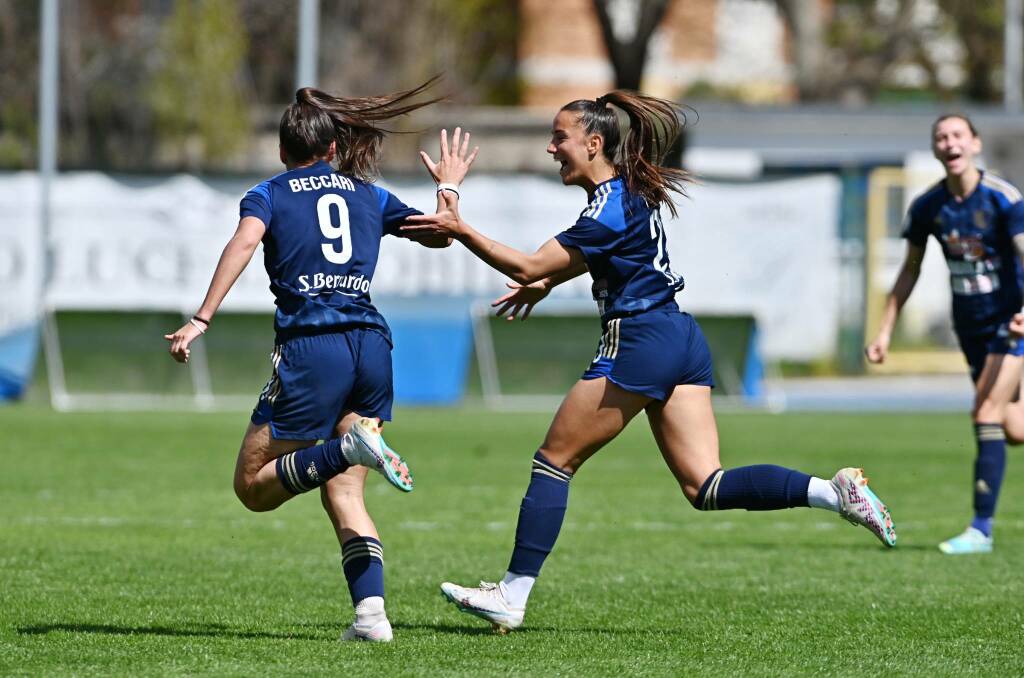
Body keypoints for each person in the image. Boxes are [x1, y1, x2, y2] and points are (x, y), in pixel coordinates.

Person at [402, 91, 897, 633]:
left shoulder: (606, 207)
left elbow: (524, 264)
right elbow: (611, 259)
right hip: (680, 336)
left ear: (593, 143)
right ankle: (833, 492)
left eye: (558, 138)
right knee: (705, 485)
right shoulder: (629, 191)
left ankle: (513, 595)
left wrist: (459, 225)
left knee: (554, 461)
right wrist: (548, 282)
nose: (550, 148)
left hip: (639, 340)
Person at [163, 82, 477, 640]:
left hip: (315, 350)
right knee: (345, 488)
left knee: (252, 488)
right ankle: (372, 618)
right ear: (333, 148)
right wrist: (448, 190)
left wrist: (202, 317)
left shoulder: (270, 193)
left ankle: (347, 448)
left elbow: (242, 243)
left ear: (283, 153)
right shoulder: (368, 194)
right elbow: (441, 237)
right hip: (372, 347)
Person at [866, 114, 1024, 555]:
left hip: (1010, 324)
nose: (949, 143)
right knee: (1013, 428)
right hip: (971, 328)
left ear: (974, 144)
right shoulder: (929, 207)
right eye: (941, 137)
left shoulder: (1002, 198)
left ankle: (981, 529)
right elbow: (910, 268)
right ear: (936, 150)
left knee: (986, 413)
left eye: (957, 135)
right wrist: (885, 330)